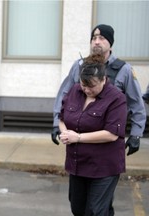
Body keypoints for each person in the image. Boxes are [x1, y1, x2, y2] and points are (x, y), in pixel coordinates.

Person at [52, 24, 146, 156]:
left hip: (108, 140)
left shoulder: (124, 69)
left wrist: (136, 134)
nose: (96, 42)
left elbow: (136, 103)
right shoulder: (79, 66)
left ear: (110, 43)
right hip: (79, 143)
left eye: (102, 38)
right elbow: (64, 95)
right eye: (94, 38)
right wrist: (57, 123)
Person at [59, 53, 127, 216]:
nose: (87, 90)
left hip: (104, 166)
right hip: (78, 164)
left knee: (96, 211)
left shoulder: (117, 98)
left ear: (104, 79)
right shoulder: (75, 91)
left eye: (92, 86)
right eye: (84, 85)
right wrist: (64, 133)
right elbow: (62, 118)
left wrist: (79, 137)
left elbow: (111, 134)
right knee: (78, 209)